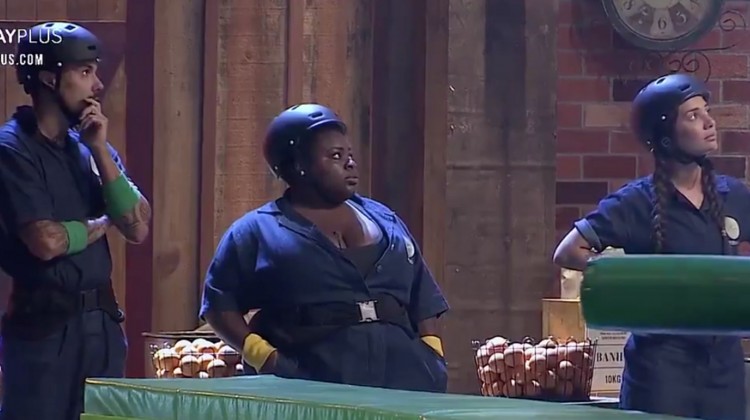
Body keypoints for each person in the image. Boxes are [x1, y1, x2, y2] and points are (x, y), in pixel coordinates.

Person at [200, 103, 449, 392]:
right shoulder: (256, 231)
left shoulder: (386, 220)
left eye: (350, 155)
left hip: (405, 384)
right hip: (308, 388)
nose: (350, 163)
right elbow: (219, 305)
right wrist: (264, 357)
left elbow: (422, 295)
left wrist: (432, 355)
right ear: (299, 165)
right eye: (335, 156)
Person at [553, 73, 747, 420]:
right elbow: (568, 251)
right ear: (666, 136)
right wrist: (622, 275)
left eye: (707, 111)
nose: (709, 122)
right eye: (693, 115)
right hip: (660, 371)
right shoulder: (635, 202)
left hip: (724, 370)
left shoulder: (733, 194)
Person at [0, 22, 151, 420]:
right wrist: (103, 221)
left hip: (102, 325)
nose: (97, 85)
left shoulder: (89, 145)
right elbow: (46, 241)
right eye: (85, 72)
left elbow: (137, 226)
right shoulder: (12, 149)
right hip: (44, 328)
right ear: (49, 78)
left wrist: (99, 151)